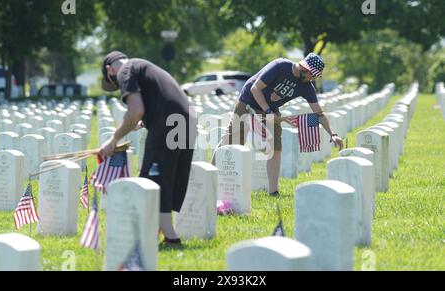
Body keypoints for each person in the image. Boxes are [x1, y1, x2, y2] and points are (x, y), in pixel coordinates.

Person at [99, 51, 196, 246]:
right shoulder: (144, 65)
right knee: (170, 176)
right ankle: (156, 231)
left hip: (168, 124)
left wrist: (113, 139)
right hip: (187, 120)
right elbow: (157, 101)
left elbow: (136, 110)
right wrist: (146, 120)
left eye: (114, 82)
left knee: (153, 179)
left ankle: (171, 237)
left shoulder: (125, 71)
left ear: (110, 69)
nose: (118, 86)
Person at [213, 53, 343, 196]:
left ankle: (273, 191)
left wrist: (333, 134)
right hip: (248, 102)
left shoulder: (307, 87)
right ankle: (209, 175)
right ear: (305, 69)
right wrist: (268, 111)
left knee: (275, 148)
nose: (313, 79)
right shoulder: (280, 66)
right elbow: (255, 88)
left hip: (270, 110)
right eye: (312, 75)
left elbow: (319, 113)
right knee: (230, 142)